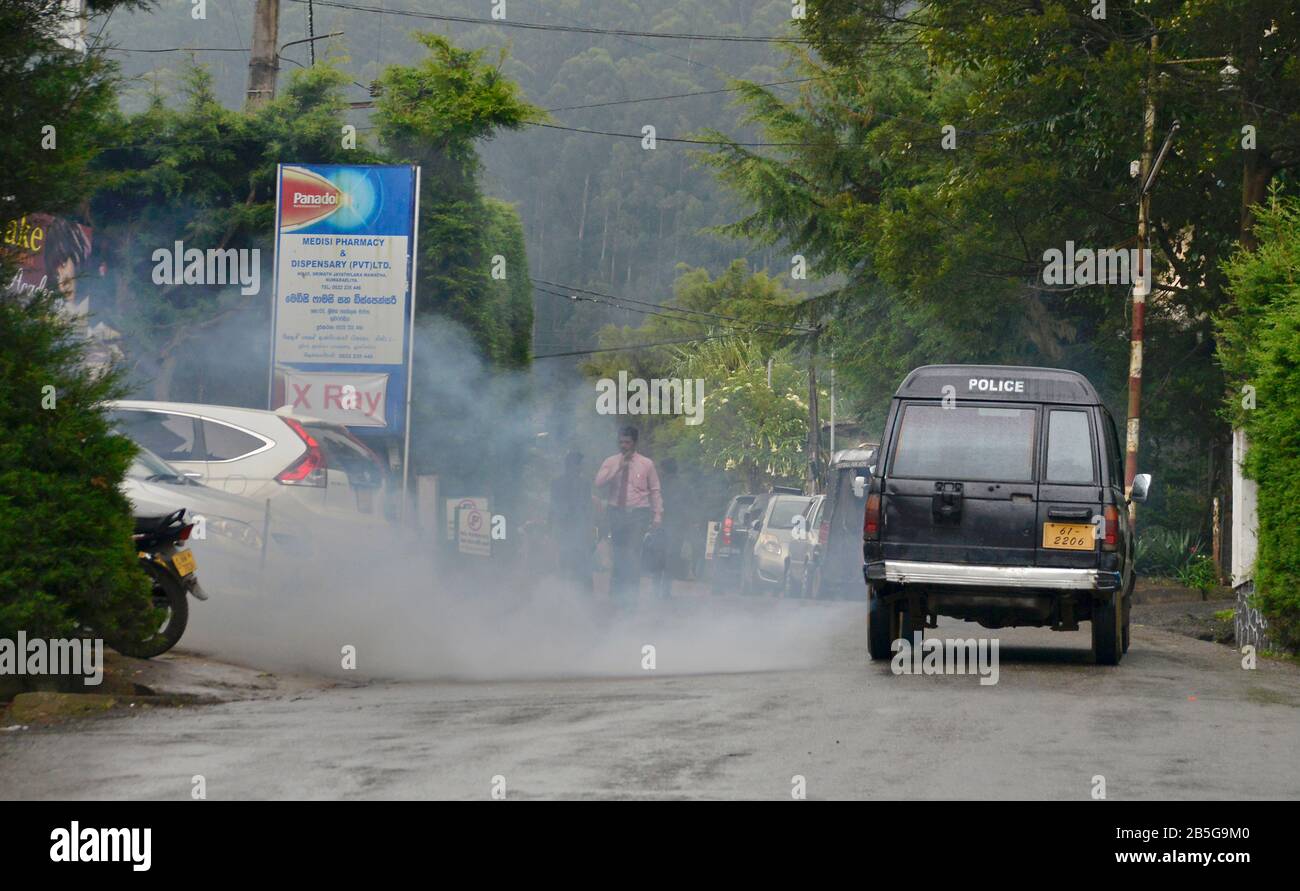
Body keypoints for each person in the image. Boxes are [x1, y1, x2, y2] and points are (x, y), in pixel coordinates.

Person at [594, 426, 662, 607]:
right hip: (616, 512)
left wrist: (657, 516)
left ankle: (631, 598)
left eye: (627, 442)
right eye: (621, 442)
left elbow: (655, 490)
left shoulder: (646, 464)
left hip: (638, 514)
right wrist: (618, 468)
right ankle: (616, 596)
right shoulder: (610, 462)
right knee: (619, 554)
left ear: (634, 443)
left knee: (632, 555)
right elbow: (599, 482)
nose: (624, 446)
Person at [549, 449, 595, 592]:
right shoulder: (558, 483)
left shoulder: (584, 484)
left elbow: (587, 508)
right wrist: (551, 526)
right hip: (567, 528)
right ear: (571, 465)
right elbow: (554, 507)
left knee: (579, 561)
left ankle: (580, 593)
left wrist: (589, 529)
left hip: (577, 528)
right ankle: (569, 592)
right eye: (578, 464)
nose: (580, 467)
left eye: (580, 464)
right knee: (569, 560)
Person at [653, 457, 683, 599]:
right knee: (670, 560)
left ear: (664, 470)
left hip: (660, 525)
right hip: (676, 528)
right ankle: (666, 592)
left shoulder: (658, 485)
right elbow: (688, 506)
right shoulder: (683, 485)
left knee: (658, 558)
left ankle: (655, 591)